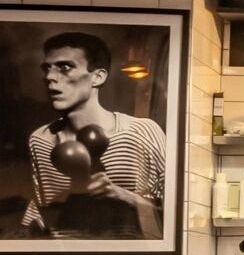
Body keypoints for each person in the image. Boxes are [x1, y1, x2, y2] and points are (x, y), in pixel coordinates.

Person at [17, 29, 166, 238]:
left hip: (129, 252)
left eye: (65, 67)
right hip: (62, 253)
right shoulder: (40, 140)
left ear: (98, 76)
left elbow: (178, 212)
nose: (50, 77)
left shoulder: (142, 131)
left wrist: (122, 195)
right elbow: (41, 211)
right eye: (47, 68)